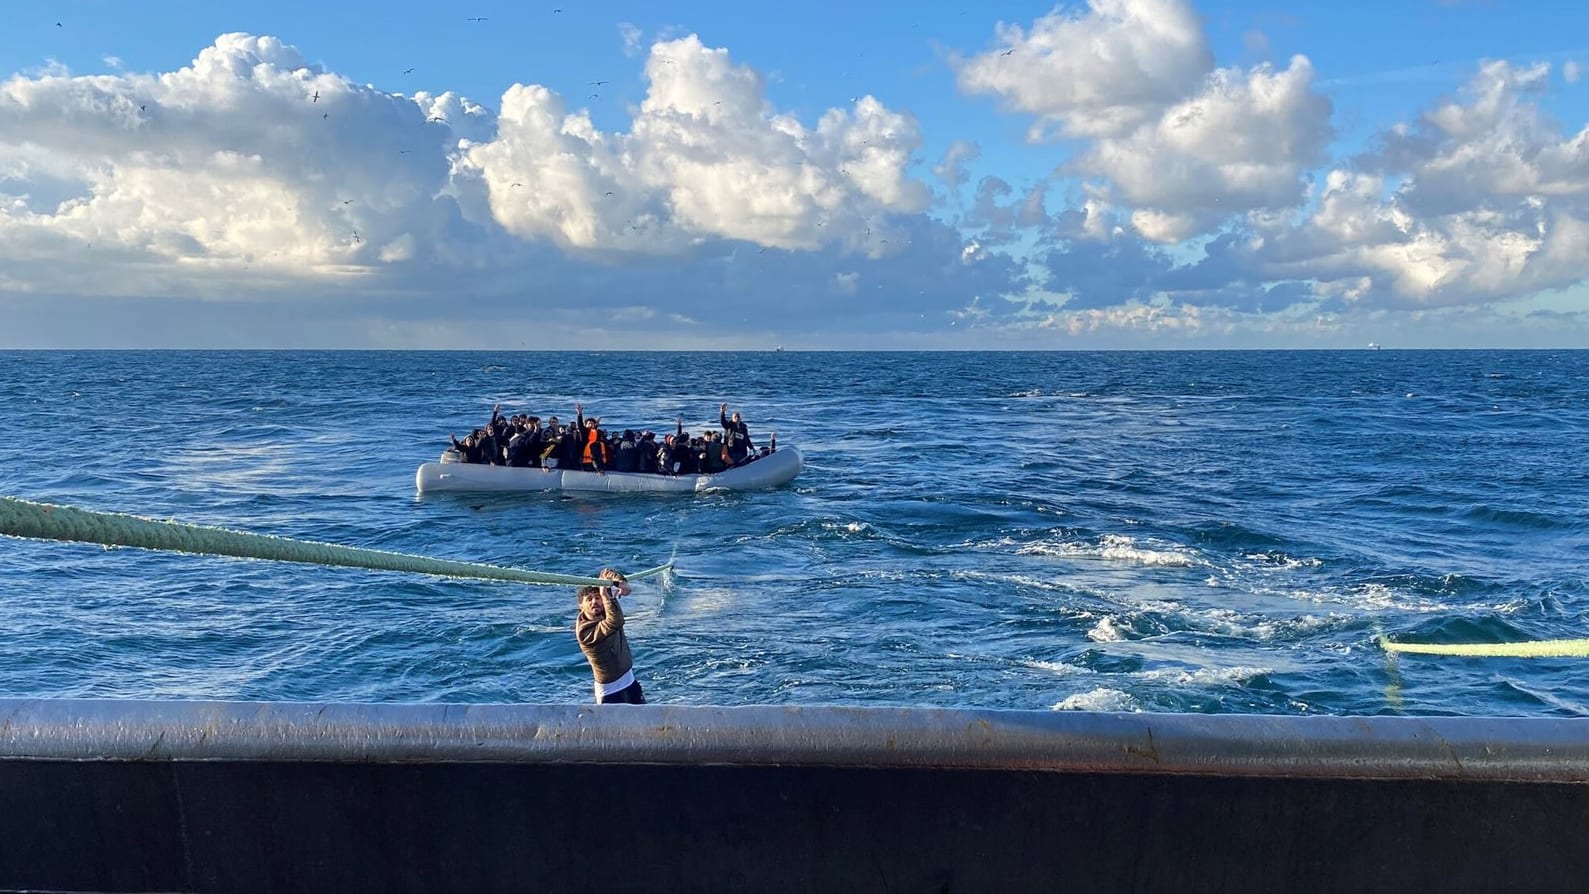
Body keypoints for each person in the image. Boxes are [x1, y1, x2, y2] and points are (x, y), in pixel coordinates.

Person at [575, 568, 644, 704]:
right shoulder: (585, 632)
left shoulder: (606, 610)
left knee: (648, 724)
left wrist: (620, 582)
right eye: (589, 599)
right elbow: (614, 622)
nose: (595, 602)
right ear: (581, 606)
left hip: (630, 681)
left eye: (597, 598)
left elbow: (605, 572)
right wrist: (606, 595)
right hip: (610, 692)